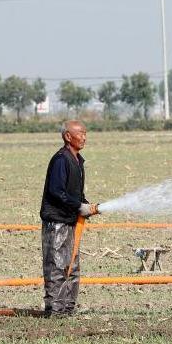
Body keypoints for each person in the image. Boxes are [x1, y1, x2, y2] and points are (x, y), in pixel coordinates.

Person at [40, 120, 100, 317]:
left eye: (85, 133)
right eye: (80, 133)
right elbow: (56, 191)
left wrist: (85, 205)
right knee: (57, 266)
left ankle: (67, 308)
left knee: (71, 266)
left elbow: (74, 191)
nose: (84, 137)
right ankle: (55, 310)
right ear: (68, 136)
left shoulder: (77, 160)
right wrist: (78, 206)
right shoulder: (61, 159)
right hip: (56, 221)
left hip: (70, 221)